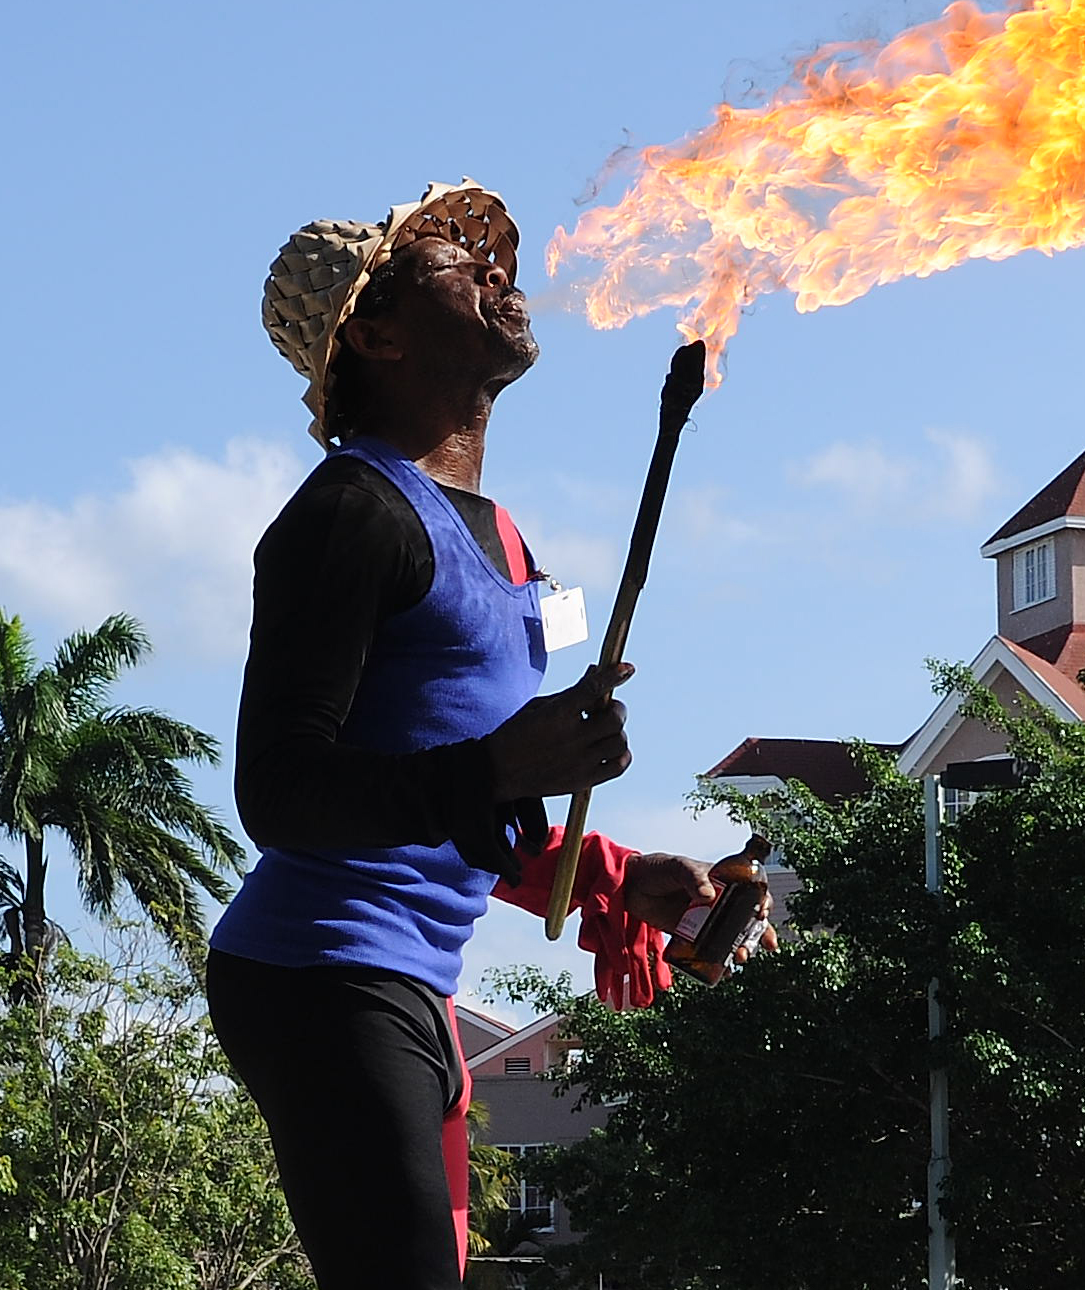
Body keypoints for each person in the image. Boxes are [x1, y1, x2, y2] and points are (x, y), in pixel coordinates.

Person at [207, 180, 748, 1287]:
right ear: (377, 330)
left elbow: (465, 804)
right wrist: (507, 761)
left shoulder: (506, 541)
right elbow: (279, 789)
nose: (495, 271)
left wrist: (612, 873)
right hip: (318, 973)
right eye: (450, 261)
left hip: (411, 983)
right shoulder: (345, 514)